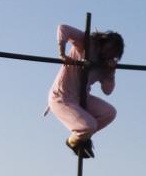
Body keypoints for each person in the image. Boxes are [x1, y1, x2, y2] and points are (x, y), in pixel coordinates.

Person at [50, 22, 124, 159]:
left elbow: (107, 91)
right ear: (104, 43)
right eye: (109, 50)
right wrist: (62, 53)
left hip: (82, 98)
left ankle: (82, 137)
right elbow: (63, 28)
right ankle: (74, 140)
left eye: (113, 54)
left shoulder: (105, 65)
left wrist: (111, 72)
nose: (109, 55)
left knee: (109, 113)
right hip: (62, 97)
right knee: (89, 125)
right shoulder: (88, 43)